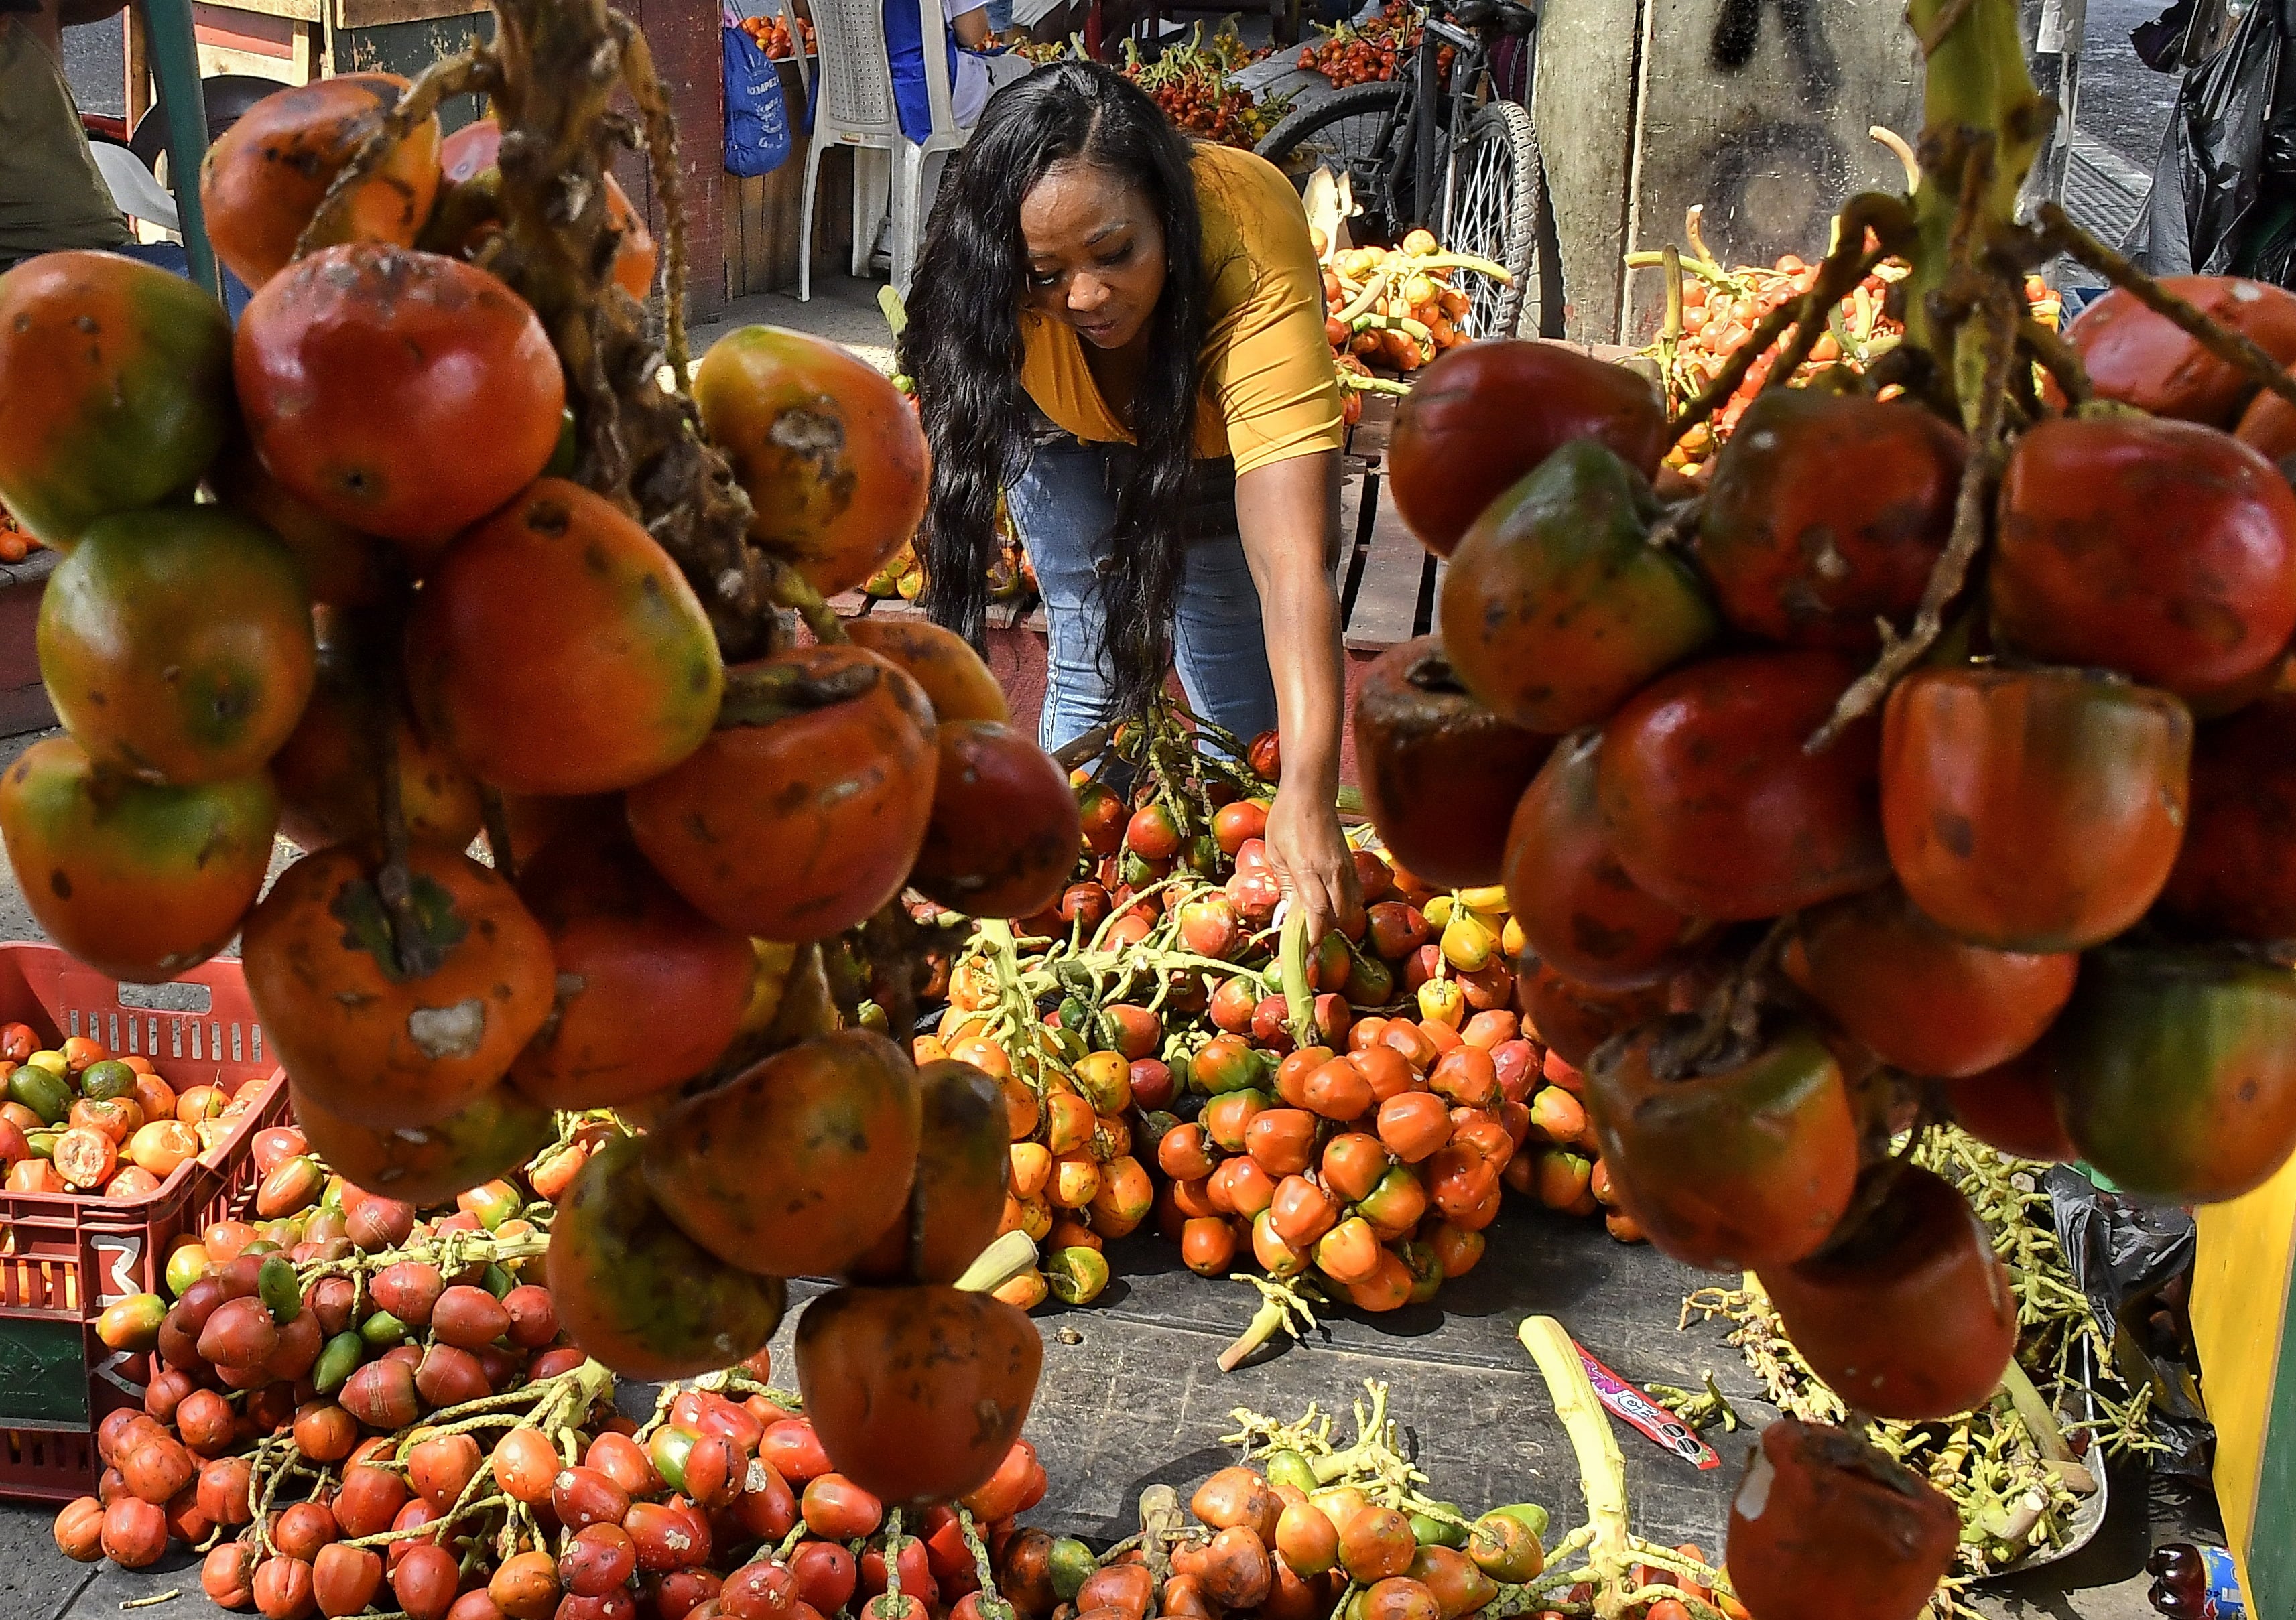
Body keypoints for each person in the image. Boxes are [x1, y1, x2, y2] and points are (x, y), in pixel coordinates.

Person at [899, 62, 1363, 943]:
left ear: (1166, 210)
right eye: (1045, 272)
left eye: (1115, 253)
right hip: (1051, 419)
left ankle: (1257, 887)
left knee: (1228, 630)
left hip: (1203, 431)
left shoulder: (1242, 231)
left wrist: (1302, 785)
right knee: (1088, 633)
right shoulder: (990, 273)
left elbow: (1292, 560)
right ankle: (1057, 898)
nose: (1085, 295)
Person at [789, 0, 1031, 137]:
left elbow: (802, 10)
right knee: (1024, 74)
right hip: (919, 95)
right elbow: (971, 33)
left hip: (845, 96)